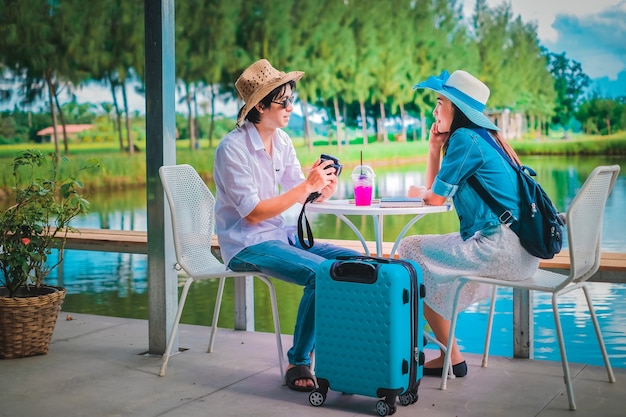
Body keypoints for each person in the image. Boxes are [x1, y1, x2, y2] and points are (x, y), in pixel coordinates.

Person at [213, 59, 361, 392]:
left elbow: (300, 192)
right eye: (284, 102)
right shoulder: (231, 149)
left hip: (282, 236)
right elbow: (252, 213)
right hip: (246, 244)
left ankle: (352, 350)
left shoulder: (282, 142)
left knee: (355, 264)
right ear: (260, 106)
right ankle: (298, 361)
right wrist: (303, 188)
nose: (291, 108)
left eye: (291, 100)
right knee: (321, 274)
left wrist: (321, 188)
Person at [397, 70, 540, 377]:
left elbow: (435, 198)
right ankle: (451, 355)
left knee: (410, 251)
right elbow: (439, 193)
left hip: (500, 250)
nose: (434, 111)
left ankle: (452, 355)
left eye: (439, 103)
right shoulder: (485, 138)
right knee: (420, 259)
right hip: (521, 252)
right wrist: (434, 149)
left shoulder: (465, 139)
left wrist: (422, 191)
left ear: (456, 108)